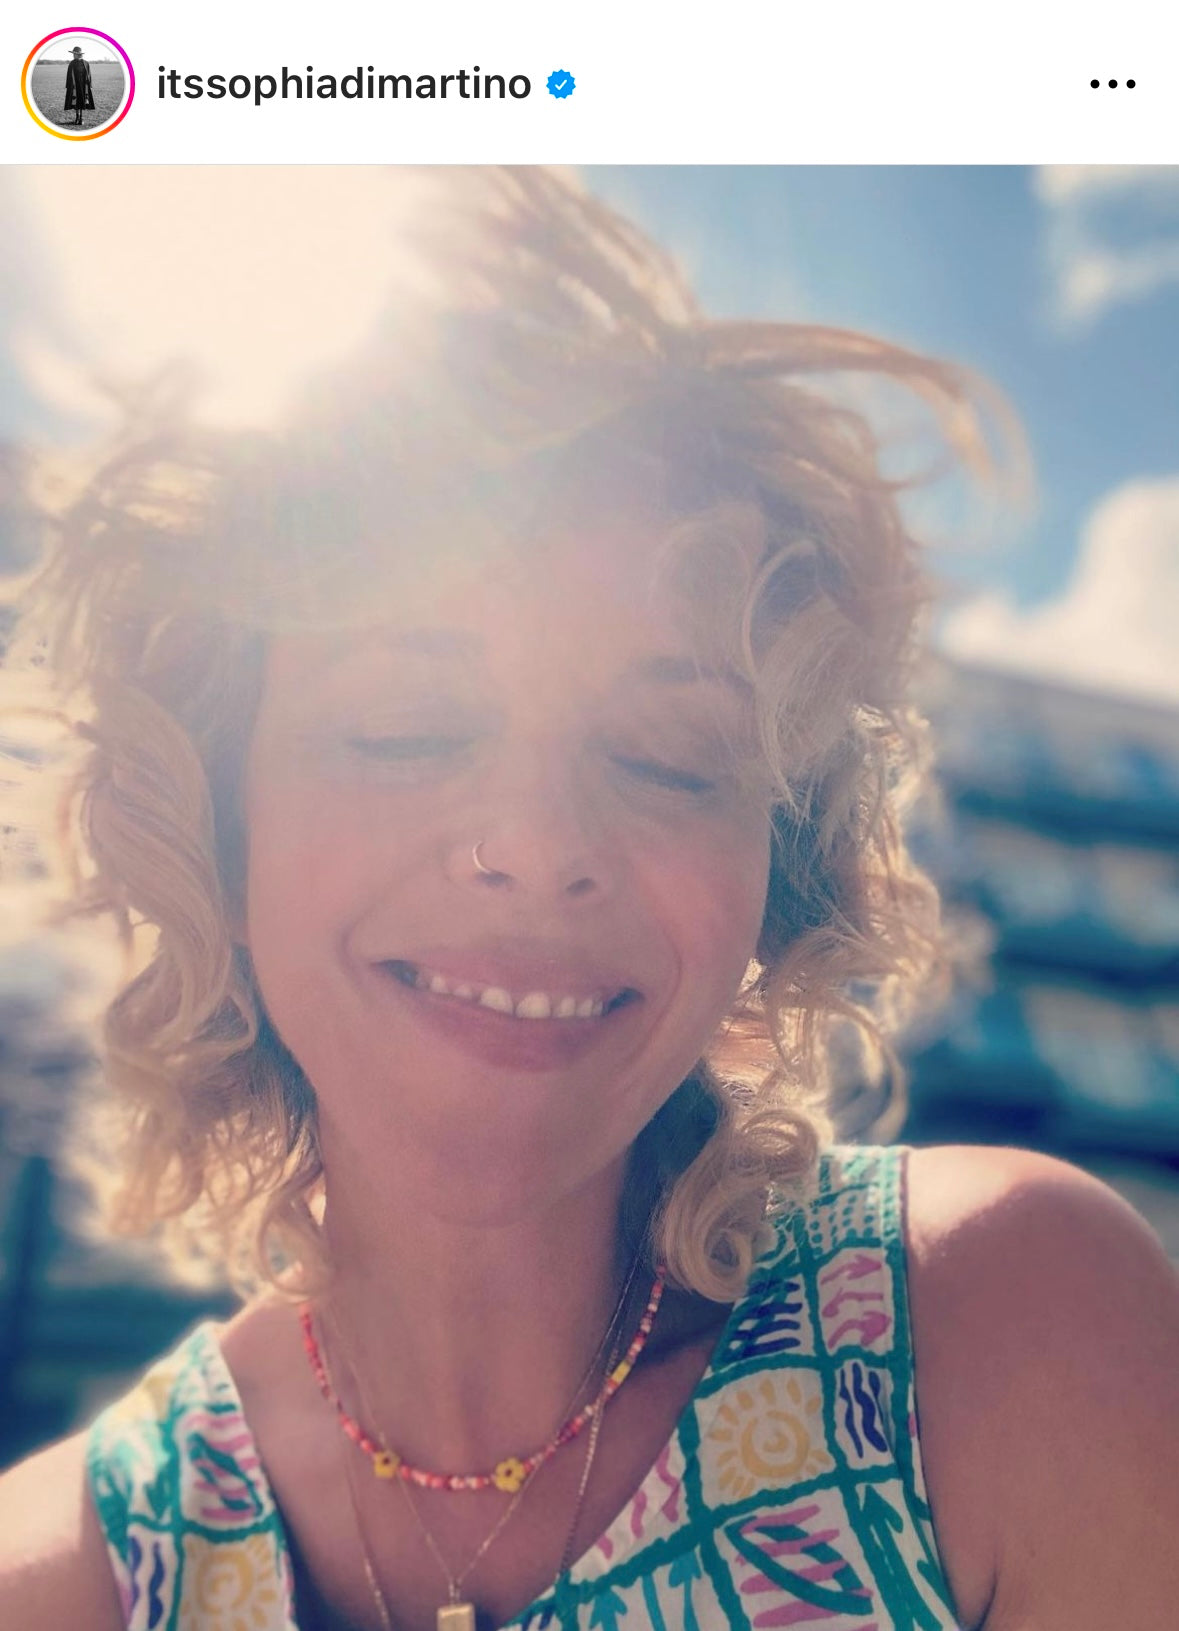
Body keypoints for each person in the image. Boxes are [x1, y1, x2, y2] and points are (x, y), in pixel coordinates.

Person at [1, 167, 1177, 1631]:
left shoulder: (1003, 1342)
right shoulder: (69, 1575)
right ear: (215, 831)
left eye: (670, 756)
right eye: (405, 727)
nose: (540, 840)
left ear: (771, 878)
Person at [64, 44, 94, 127]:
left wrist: (90, 85)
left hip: (84, 86)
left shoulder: (86, 63)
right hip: (75, 86)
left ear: (78, 54)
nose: (73, 55)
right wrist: (68, 86)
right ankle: (77, 117)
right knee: (76, 102)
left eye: (74, 54)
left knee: (82, 102)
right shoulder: (72, 63)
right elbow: (69, 75)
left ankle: (81, 118)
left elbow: (89, 75)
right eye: (73, 54)